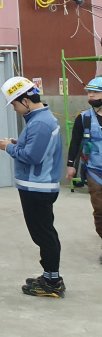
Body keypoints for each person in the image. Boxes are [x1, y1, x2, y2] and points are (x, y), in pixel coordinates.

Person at [0, 76, 65, 297]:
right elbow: (36, 149)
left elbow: (33, 157)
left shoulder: (41, 123)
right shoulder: (39, 120)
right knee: (42, 233)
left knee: (44, 234)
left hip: (38, 187)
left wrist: (8, 147)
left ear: (25, 100)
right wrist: (17, 144)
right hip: (36, 186)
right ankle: (49, 275)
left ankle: (52, 281)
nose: (15, 109)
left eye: (15, 104)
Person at [67, 76, 102, 264]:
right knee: (100, 210)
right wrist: (70, 166)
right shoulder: (84, 118)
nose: (91, 95)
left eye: (95, 91)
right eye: (89, 92)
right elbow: (75, 143)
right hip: (95, 170)